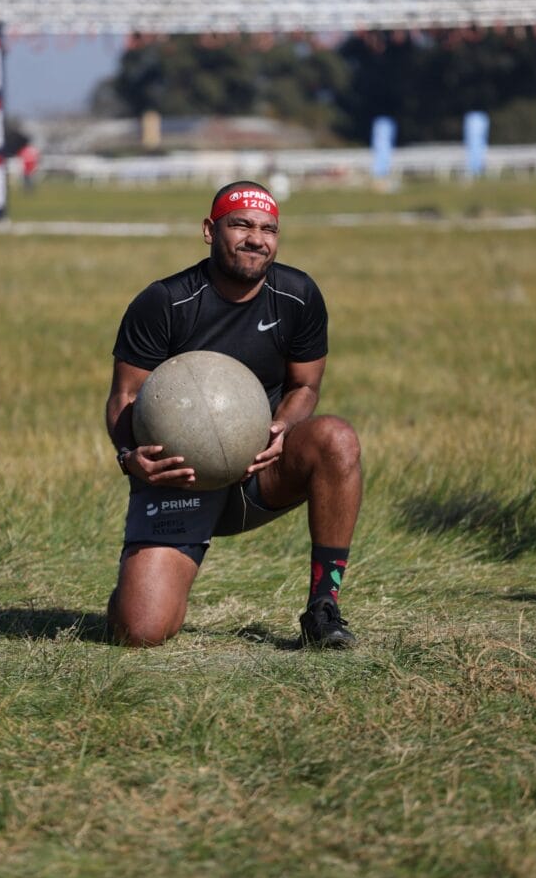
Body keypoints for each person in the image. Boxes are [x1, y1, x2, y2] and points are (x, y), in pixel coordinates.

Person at [105, 180, 362, 648]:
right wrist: (129, 456)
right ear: (209, 230)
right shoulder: (164, 302)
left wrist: (283, 426)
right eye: (240, 224)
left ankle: (324, 608)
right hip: (178, 477)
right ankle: (131, 593)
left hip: (258, 470)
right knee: (139, 631)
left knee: (336, 439)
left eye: (268, 229)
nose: (255, 238)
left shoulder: (299, 295)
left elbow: (305, 386)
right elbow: (125, 396)